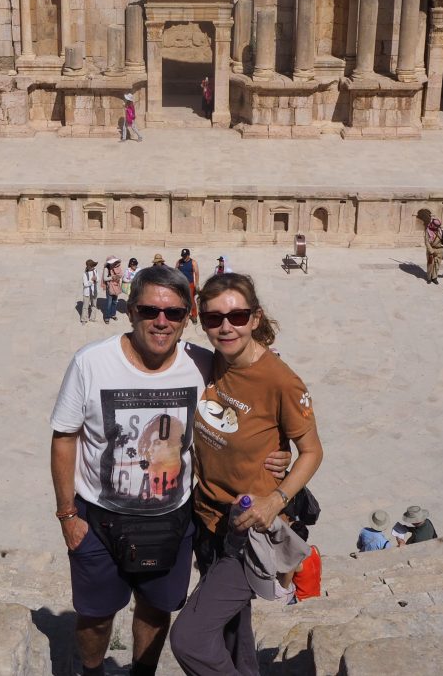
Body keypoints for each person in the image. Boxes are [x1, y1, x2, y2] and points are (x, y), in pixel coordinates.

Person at [50, 265, 291, 676]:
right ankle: (92, 672)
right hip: (99, 518)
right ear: (131, 311)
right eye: (149, 310)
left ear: (186, 319)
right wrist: (67, 515)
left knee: (156, 607)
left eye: (174, 313)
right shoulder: (91, 362)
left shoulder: (203, 365)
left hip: (172, 519)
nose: (161, 321)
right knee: (94, 615)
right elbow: (64, 437)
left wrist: (277, 450)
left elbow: (248, 409)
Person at [170, 272, 324, 676]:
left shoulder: (280, 380)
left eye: (237, 316)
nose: (226, 327)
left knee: (189, 638)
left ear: (255, 318)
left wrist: (276, 499)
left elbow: (312, 451)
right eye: (214, 318)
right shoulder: (210, 362)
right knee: (234, 630)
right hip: (208, 520)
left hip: (250, 531)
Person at [175, 248, 200, 325]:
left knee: (191, 300)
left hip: (190, 284)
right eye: (183, 255)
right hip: (181, 283)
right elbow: (175, 271)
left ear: (188, 255)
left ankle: (194, 316)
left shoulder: (193, 262)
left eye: (185, 256)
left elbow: (196, 273)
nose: (184, 257)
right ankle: (182, 314)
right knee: (180, 298)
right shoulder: (179, 262)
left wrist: (197, 284)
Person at [424, 216, 443, 284]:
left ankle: (434, 277)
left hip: (439, 250)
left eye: (438, 226)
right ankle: (429, 278)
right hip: (431, 249)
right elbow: (427, 242)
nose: (437, 228)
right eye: (436, 226)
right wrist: (431, 251)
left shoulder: (441, 230)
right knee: (430, 265)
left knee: (437, 265)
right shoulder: (428, 230)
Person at [102, 256, 123, 323]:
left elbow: (121, 275)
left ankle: (113, 314)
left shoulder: (117, 267)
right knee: (109, 303)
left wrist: (118, 277)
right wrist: (112, 277)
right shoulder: (106, 269)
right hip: (109, 287)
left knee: (114, 302)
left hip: (116, 286)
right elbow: (105, 278)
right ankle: (107, 317)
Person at [80, 258, 98, 324]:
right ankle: (84, 319)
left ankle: (92, 318)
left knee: (94, 305)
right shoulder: (85, 274)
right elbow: (85, 284)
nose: (94, 267)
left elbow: (97, 279)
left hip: (94, 291)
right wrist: (91, 280)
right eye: (92, 266)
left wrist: (96, 279)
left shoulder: (95, 271)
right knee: (85, 306)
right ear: (89, 267)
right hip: (87, 292)